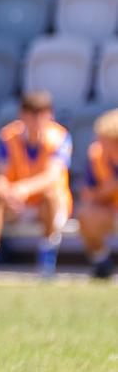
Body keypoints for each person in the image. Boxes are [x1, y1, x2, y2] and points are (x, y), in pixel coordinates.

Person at [0, 91, 72, 285]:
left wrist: (23, 189)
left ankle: (46, 266)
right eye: (32, 113)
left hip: (46, 203)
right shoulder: (8, 135)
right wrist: (6, 191)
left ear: (50, 115)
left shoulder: (60, 137)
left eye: (42, 114)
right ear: (22, 114)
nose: (36, 119)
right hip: (15, 201)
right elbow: (0, 175)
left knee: (51, 196)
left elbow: (52, 177)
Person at [77, 109, 118, 279]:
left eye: (106, 140)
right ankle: (102, 261)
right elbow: (87, 195)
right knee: (86, 214)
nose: (100, 143)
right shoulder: (97, 154)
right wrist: (106, 191)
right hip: (110, 211)